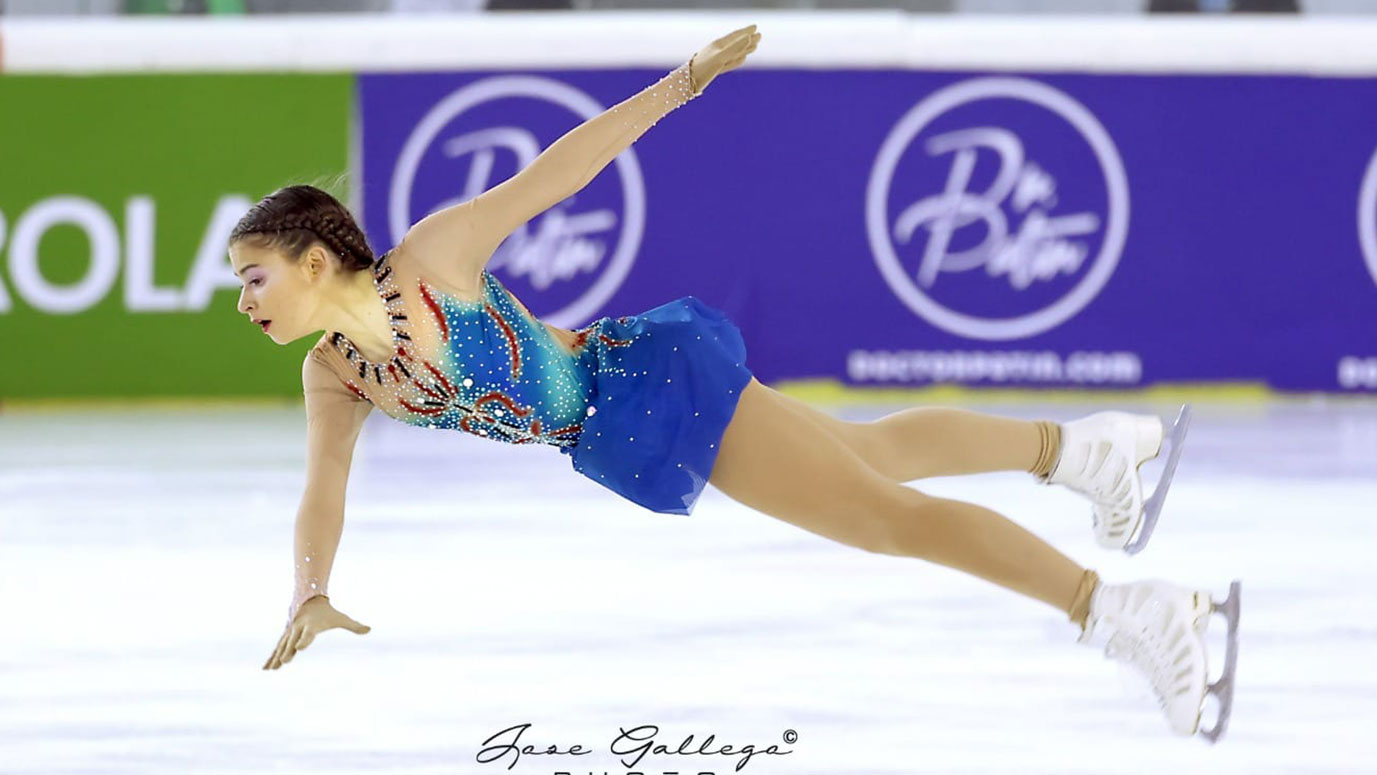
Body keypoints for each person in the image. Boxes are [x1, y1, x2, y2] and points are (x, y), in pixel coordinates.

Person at [230, 24, 1240, 741]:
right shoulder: (337, 376)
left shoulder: (429, 260)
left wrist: (676, 86)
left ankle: (1128, 611)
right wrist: (310, 590)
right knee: (878, 454)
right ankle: (1087, 449)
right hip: (613, 432)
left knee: (893, 518)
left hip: (645, 385)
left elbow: (554, 175)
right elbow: (324, 487)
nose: (244, 300)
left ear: (315, 260)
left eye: (253, 276)